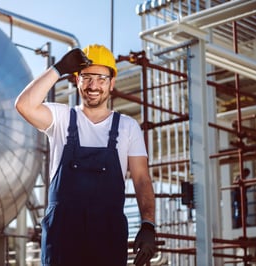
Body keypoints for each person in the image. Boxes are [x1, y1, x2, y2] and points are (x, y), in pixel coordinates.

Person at [15, 44, 156, 266]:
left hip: (107, 237)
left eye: (101, 78)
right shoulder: (61, 118)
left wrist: (148, 224)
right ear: (77, 80)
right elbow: (24, 105)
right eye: (86, 77)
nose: (93, 85)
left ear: (112, 82)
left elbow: (141, 179)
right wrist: (58, 69)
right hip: (62, 237)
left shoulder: (128, 127)